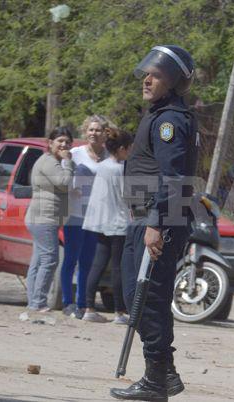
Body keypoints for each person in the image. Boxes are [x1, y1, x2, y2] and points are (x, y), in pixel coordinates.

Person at [109, 45, 198, 401]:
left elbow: (172, 177)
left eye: (156, 75)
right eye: (146, 73)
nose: (147, 79)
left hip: (157, 219)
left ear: (174, 81)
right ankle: (166, 374)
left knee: (146, 297)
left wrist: (156, 223)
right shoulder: (161, 114)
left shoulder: (169, 121)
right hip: (146, 217)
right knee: (139, 296)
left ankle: (156, 380)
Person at [81, 127, 133, 324]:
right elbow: (127, 197)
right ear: (121, 149)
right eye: (128, 148)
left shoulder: (102, 165)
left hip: (100, 222)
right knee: (119, 267)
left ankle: (89, 308)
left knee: (98, 264)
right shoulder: (120, 169)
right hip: (118, 222)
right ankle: (120, 312)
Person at [60, 115, 110, 318]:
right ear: (85, 131)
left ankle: (83, 303)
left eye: (98, 130)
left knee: (88, 261)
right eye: (90, 129)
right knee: (71, 258)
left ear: (105, 133)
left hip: (97, 215)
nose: (93, 133)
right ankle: (67, 302)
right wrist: (71, 190)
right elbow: (63, 178)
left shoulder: (109, 155)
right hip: (75, 213)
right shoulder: (75, 154)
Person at [23, 127, 75, 315]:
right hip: (44, 218)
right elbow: (63, 182)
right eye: (60, 141)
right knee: (50, 259)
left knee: (38, 260)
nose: (64, 145)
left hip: (42, 217)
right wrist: (69, 162)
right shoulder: (50, 162)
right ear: (50, 143)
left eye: (67, 142)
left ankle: (34, 302)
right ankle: (38, 302)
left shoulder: (51, 161)